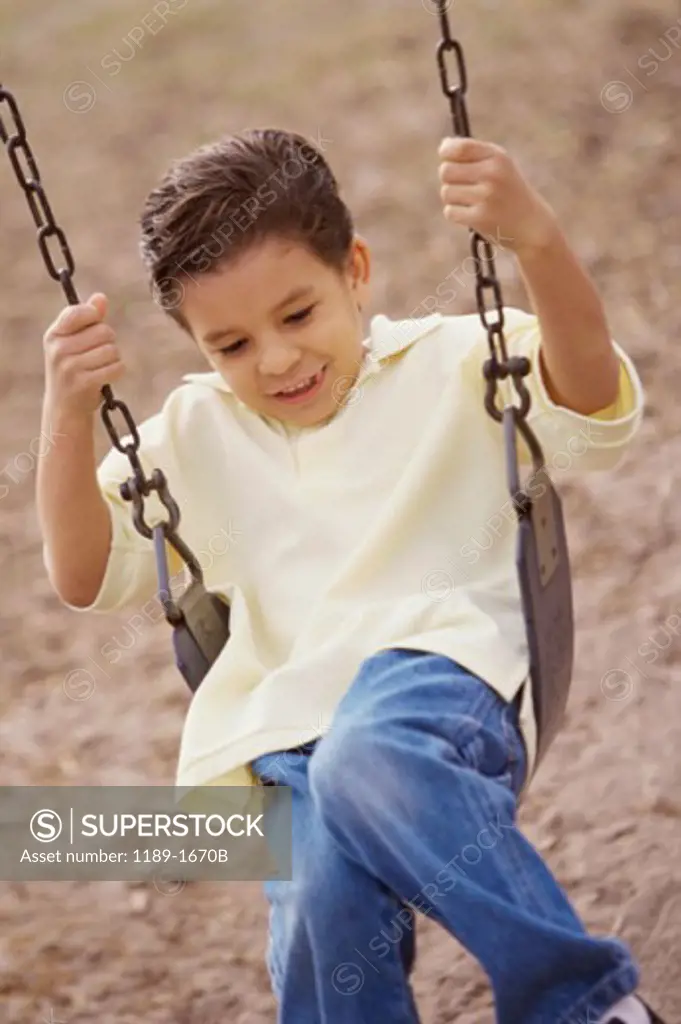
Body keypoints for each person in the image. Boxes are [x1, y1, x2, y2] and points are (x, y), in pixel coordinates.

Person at [37, 127, 660, 1024]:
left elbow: (591, 399)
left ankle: (582, 1003)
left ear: (355, 271)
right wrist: (68, 407)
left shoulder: (448, 362)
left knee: (367, 754)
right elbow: (82, 573)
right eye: (232, 346)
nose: (277, 361)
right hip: (288, 742)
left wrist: (534, 241)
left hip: (441, 682)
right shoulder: (192, 434)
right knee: (317, 894)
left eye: (297, 316)